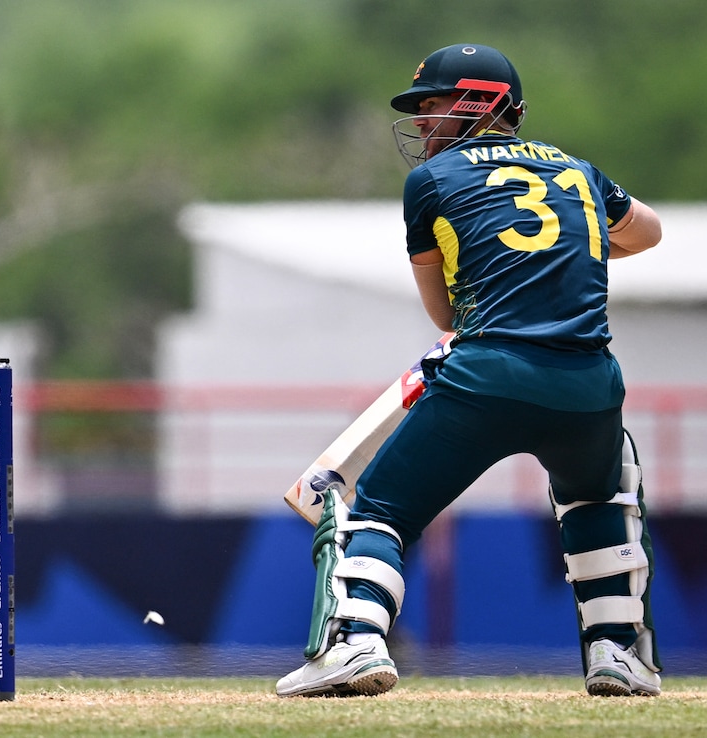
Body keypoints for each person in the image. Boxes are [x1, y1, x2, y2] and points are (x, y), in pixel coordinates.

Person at [276, 43, 664, 698]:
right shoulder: (579, 171)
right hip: (588, 382)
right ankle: (618, 653)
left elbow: (444, 313)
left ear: (480, 103)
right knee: (599, 498)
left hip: (489, 375)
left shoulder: (431, 182)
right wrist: (574, 250)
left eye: (433, 105)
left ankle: (357, 643)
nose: (422, 121)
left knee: (382, 510)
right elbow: (647, 233)